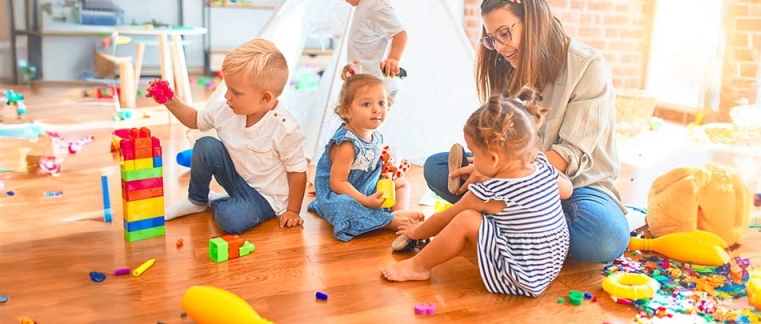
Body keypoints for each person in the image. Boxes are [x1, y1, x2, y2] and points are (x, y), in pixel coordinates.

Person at [416, 0, 627, 264]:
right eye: (492, 39)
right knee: (436, 167)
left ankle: (509, 223)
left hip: (578, 188)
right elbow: (497, 135)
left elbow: (569, 156)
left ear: (534, 21)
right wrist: (489, 165)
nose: (499, 47)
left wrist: (497, 178)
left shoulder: (588, 65)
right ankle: (529, 228)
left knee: (604, 238)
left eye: (504, 34)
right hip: (513, 180)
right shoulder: (508, 67)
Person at [382, 88, 572, 298]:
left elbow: (443, 218)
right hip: (550, 265)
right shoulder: (543, 168)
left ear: (493, 158)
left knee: (466, 219)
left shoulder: (489, 192)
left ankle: (417, 267)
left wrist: (416, 232)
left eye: (473, 151)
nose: (471, 156)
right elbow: (567, 190)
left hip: (520, 277)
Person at [154, 39, 308, 234]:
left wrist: (292, 211)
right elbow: (194, 120)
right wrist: (171, 101)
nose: (227, 96)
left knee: (230, 220)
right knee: (205, 145)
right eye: (227, 88)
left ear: (265, 98)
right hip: (235, 178)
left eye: (235, 92)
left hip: (265, 198)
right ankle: (197, 200)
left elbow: (297, 172)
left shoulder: (285, 129)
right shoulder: (227, 109)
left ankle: (216, 200)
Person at [306, 74, 423, 241]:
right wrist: (365, 201)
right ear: (347, 111)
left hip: (366, 187)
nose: (376, 109)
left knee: (401, 184)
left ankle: (399, 212)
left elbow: (371, 164)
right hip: (341, 194)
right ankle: (387, 221)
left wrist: (386, 171)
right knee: (344, 206)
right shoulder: (346, 144)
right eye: (366, 104)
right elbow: (337, 183)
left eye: (381, 103)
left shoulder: (376, 136)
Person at [318, 0, 408, 97]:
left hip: (375, 91)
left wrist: (393, 59)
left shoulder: (376, 5)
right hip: (364, 86)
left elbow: (400, 34)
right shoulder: (365, 4)